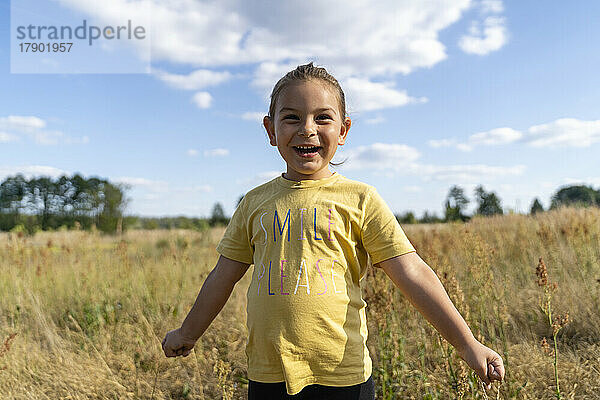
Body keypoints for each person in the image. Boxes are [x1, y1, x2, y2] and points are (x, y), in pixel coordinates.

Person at [161, 62, 505, 399]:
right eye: (291, 117)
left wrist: (467, 343)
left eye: (322, 117)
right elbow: (223, 276)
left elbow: (412, 271)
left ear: (343, 131)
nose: (307, 128)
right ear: (270, 130)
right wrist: (189, 332)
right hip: (269, 374)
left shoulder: (361, 199)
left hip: (344, 376)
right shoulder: (254, 204)